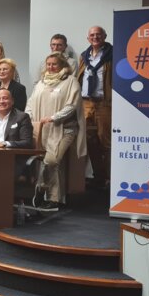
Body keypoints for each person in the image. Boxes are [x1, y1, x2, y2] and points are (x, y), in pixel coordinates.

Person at [26, 52, 86, 210]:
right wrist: (29, 118)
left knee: (52, 160)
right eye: (48, 64)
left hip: (64, 129)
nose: (51, 67)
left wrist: (54, 117)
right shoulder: (41, 83)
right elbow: (30, 104)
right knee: (45, 163)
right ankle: (52, 197)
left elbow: (72, 106)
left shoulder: (70, 81)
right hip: (42, 130)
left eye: (55, 64)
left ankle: (46, 191)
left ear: (63, 66)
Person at [77, 25, 113, 187]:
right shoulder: (84, 56)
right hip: (86, 103)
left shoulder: (113, 55)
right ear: (88, 38)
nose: (95, 37)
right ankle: (99, 177)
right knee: (89, 141)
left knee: (105, 141)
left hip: (104, 103)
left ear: (104, 36)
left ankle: (110, 178)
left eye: (98, 34)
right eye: (92, 35)